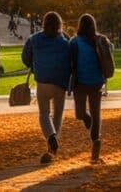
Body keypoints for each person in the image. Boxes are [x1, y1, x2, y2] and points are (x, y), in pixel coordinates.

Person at [22, 11, 72, 164]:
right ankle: (52, 144)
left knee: (44, 113)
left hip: (43, 80)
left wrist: (35, 65)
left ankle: (50, 137)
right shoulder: (65, 42)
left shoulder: (34, 39)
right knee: (57, 114)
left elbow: (25, 57)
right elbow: (71, 59)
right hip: (60, 82)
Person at [71, 13, 112, 164]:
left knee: (88, 114)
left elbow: (71, 60)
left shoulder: (78, 41)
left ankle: (95, 145)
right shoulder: (98, 40)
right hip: (89, 82)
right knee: (87, 114)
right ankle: (92, 129)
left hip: (87, 82)